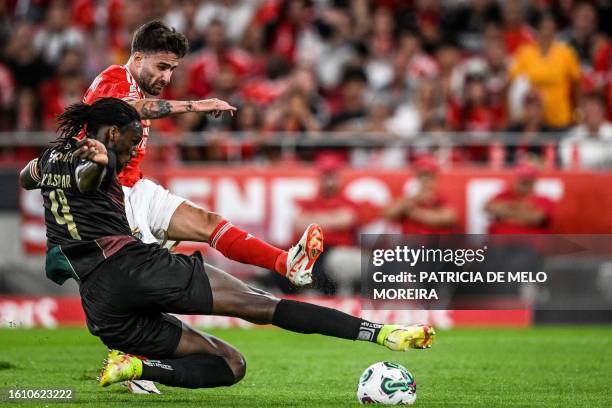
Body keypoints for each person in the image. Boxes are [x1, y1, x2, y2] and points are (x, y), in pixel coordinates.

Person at [19, 98, 435, 391]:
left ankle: (137, 368)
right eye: (131, 140)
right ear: (110, 133)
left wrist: (56, 169)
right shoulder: (101, 160)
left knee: (231, 365)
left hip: (100, 304)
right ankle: (383, 335)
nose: (134, 151)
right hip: (135, 269)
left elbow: (27, 176)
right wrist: (99, 162)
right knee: (262, 305)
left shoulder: (52, 158)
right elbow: (90, 178)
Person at [82, 20, 328, 393]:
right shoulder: (113, 78)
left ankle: (286, 264)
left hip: (136, 187)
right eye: (162, 66)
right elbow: (129, 110)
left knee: (207, 222)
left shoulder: (137, 82)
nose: (167, 76)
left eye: (173, 69)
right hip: (108, 197)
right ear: (136, 57)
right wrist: (195, 104)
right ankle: (137, 361)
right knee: (143, 283)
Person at [509, 12, 581, 129]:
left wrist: (577, 112)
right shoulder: (525, 53)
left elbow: (577, 84)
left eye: (551, 29)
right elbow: (511, 84)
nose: (547, 32)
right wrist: (511, 115)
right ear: (537, 30)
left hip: (560, 119)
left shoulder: (566, 53)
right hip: (534, 122)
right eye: (544, 28)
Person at [385, 156, 458, 234]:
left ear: (435, 178)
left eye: (429, 176)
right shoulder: (408, 196)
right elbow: (388, 214)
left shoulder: (440, 196)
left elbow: (450, 217)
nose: (425, 180)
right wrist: (413, 199)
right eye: (421, 176)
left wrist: (412, 212)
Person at [484, 163, 554, 234]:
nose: (523, 180)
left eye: (527, 178)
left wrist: (505, 216)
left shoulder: (544, 200)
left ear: (534, 181)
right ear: (516, 178)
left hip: (530, 242)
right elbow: (488, 207)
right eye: (521, 177)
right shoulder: (503, 195)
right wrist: (524, 210)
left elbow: (537, 219)